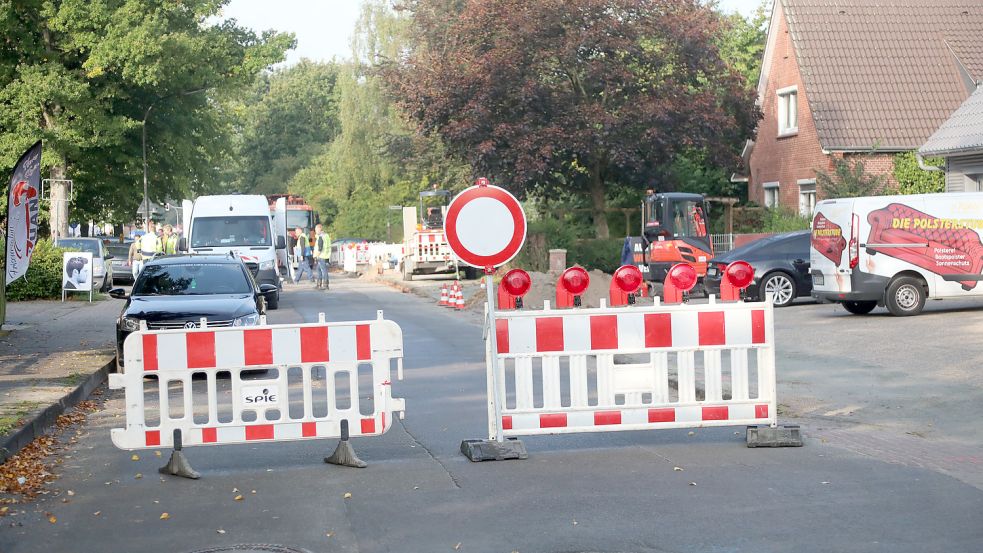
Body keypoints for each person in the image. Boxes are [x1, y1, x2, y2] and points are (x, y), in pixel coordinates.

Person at [313, 224, 331, 290]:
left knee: (324, 271)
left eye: (316, 230)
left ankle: (325, 285)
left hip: (321, 256)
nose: (315, 231)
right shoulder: (326, 235)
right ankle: (319, 284)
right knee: (319, 269)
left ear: (319, 229)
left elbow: (320, 248)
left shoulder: (321, 237)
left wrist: (316, 255)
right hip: (325, 255)